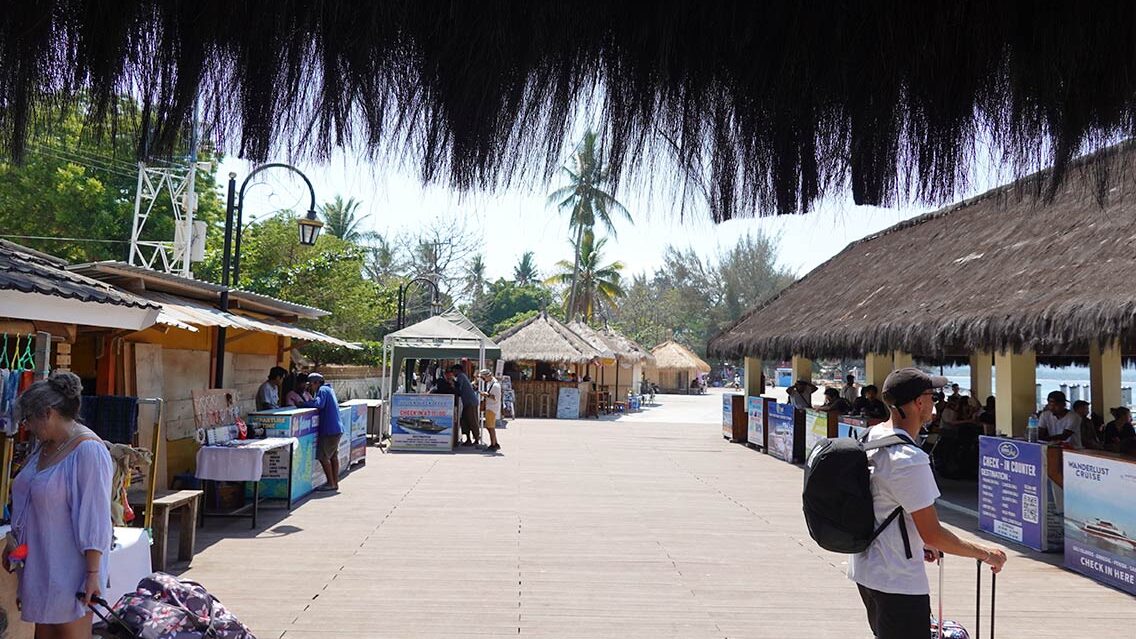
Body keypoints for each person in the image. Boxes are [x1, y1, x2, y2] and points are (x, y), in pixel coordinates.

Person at [850, 368, 1006, 639]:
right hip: (898, 580)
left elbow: (886, 505)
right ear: (918, 403)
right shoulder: (909, 459)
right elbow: (933, 533)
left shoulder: (870, 437)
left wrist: (921, 541)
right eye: (931, 396)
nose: (935, 402)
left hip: (866, 571)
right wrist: (985, 553)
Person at [8, 371, 113, 635]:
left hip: (71, 573)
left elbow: (95, 517)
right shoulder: (44, 447)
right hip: (40, 567)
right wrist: (15, 547)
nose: (26, 426)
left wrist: (91, 575)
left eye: (29, 418)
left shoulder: (88, 450)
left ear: (49, 413)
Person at [299, 373, 343, 491]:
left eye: (311, 384)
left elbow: (319, 404)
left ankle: (331, 483)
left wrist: (303, 404)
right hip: (336, 428)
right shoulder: (329, 389)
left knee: (323, 457)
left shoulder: (322, 390)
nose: (310, 387)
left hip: (329, 429)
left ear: (316, 383)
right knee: (333, 456)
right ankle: (334, 482)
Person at [451, 365, 480, 446]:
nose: (453, 373)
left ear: (458, 370)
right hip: (466, 402)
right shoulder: (462, 376)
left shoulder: (461, 376)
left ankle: (477, 439)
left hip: (470, 402)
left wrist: (452, 384)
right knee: (464, 421)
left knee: (472, 420)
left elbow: (458, 389)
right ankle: (468, 439)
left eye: (454, 371)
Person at [479, 369, 502, 451]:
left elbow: (495, 398)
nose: (483, 379)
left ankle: (493, 444)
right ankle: (495, 443)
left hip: (492, 408)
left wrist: (486, 395)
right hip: (490, 407)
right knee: (489, 427)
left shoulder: (495, 385)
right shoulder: (491, 383)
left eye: (483, 377)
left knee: (490, 427)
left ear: (487, 376)